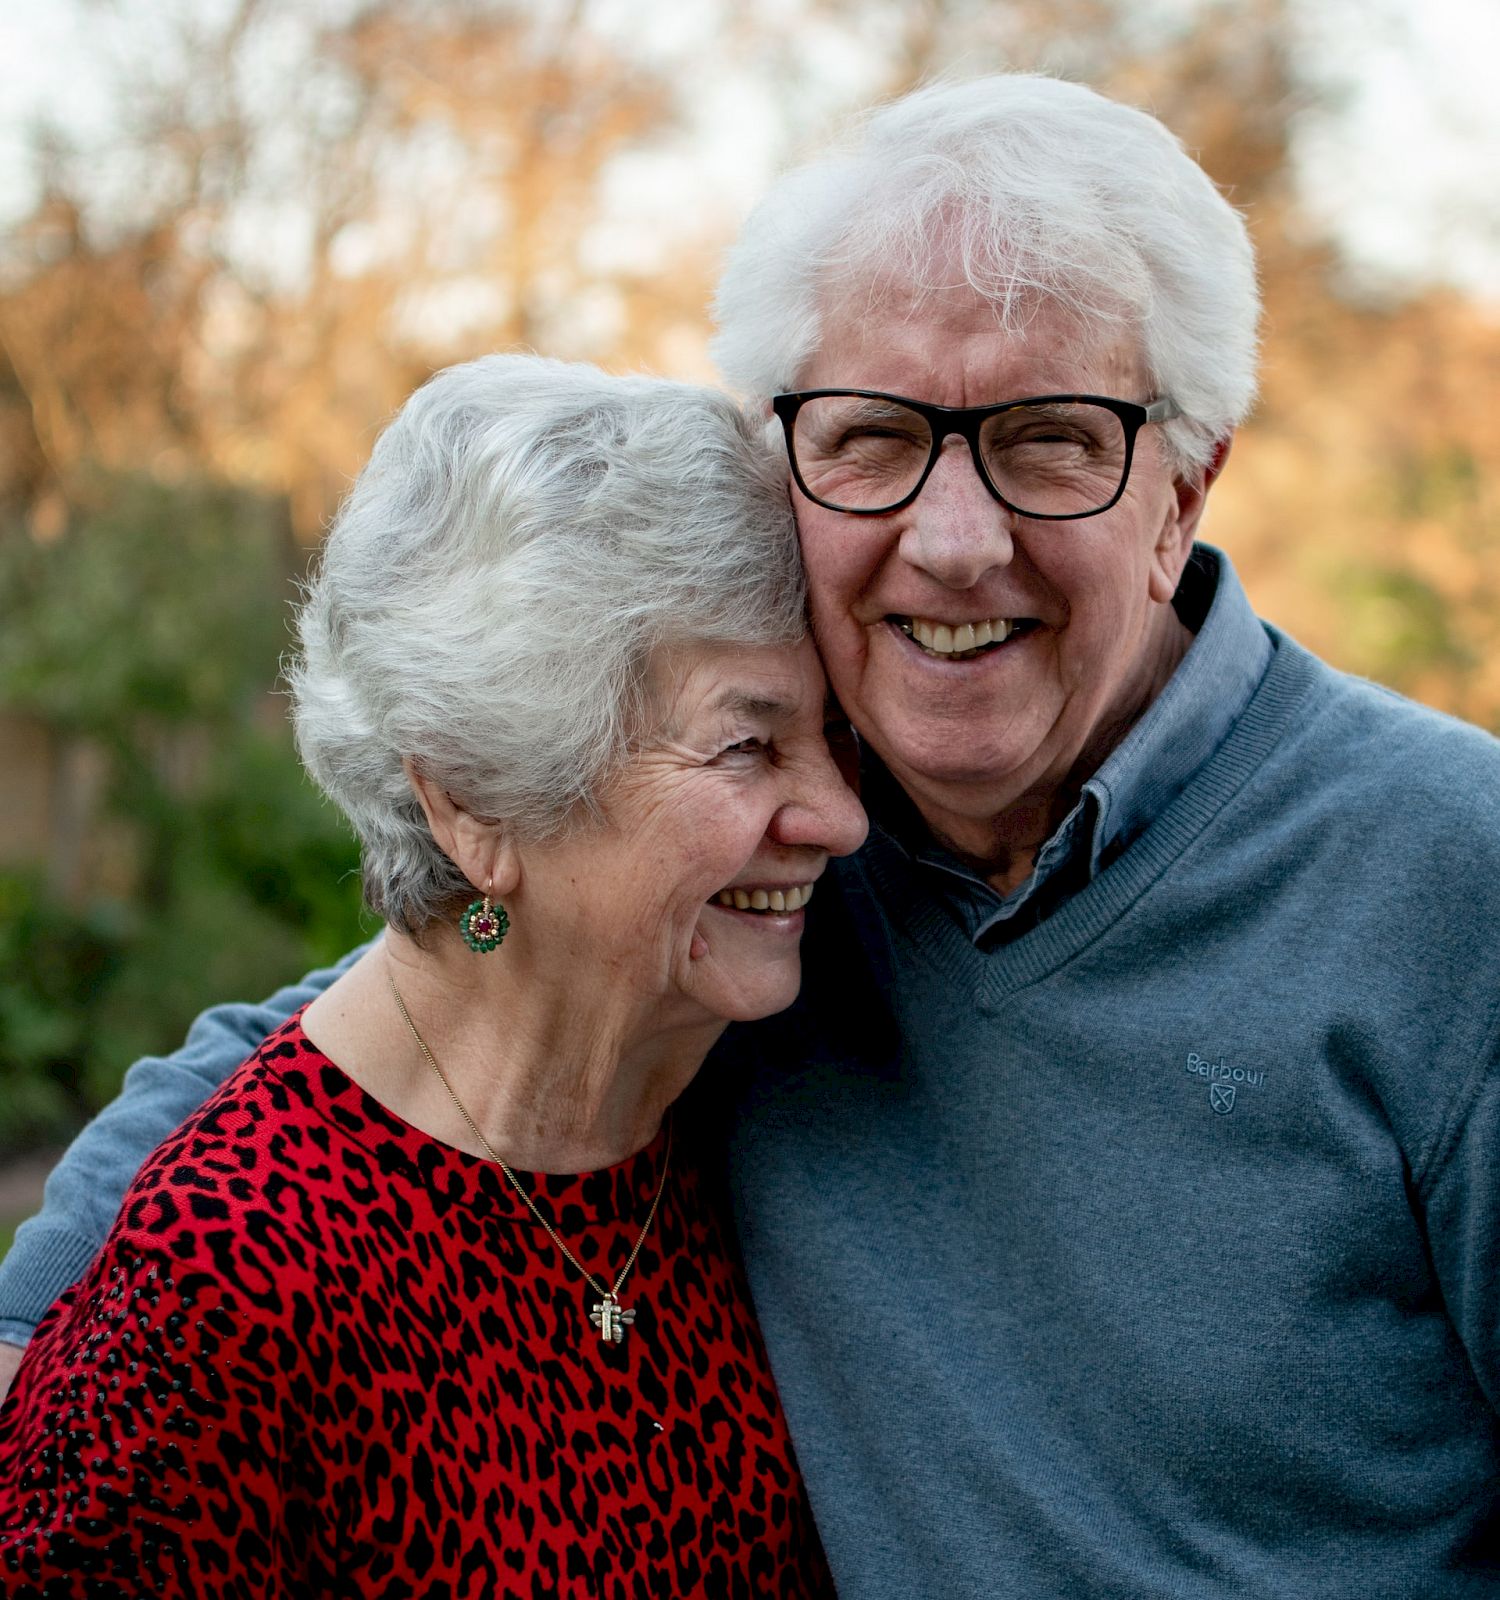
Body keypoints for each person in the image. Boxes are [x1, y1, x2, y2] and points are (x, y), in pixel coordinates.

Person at [4, 71, 1499, 1597]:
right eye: (875, 436)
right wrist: (52, 1342)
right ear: (796, 458)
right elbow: (415, 999)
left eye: (1053, 439)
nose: (957, 538)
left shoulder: (1458, 883)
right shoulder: (788, 866)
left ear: (1187, 483)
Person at [0, 354, 865, 1595]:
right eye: (747, 745)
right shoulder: (223, 1291)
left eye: (831, 735)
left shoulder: (724, 1109)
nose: (839, 817)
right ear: (470, 800)